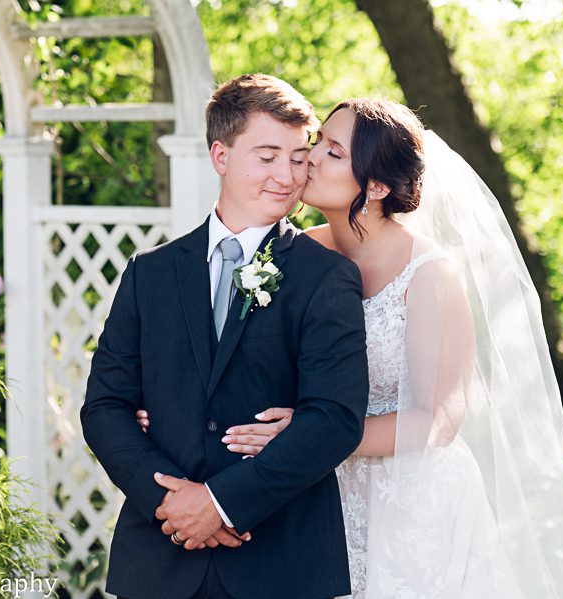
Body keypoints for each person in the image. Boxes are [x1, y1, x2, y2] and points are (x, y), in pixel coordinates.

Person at [140, 98, 563, 598]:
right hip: (313, 494)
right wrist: (165, 406)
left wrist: (313, 433)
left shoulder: (429, 275)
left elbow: (438, 420)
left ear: (375, 186)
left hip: (411, 498)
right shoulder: (291, 253)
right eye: (318, 143)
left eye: (333, 152)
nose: (309, 158)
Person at [81, 74, 370, 599]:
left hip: (279, 562)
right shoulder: (150, 273)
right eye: (266, 156)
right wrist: (171, 503)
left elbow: (336, 419)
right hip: (159, 560)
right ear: (220, 155)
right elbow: (104, 407)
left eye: (299, 156)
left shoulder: (327, 276)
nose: (286, 174)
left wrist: (219, 503)